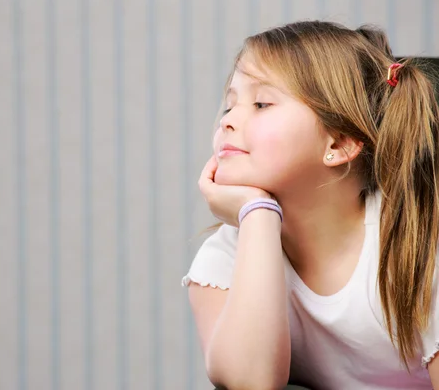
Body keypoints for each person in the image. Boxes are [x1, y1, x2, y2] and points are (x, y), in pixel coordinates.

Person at [182, 21, 439, 390]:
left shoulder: (418, 248)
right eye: (229, 105)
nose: (228, 122)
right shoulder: (226, 257)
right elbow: (251, 382)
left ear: (338, 143)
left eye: (261, 103)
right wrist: (257, 214)